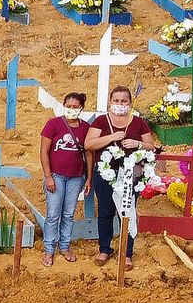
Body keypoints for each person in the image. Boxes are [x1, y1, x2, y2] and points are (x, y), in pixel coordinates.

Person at [85, 84, 158, 269]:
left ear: (130, 103)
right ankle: (104, 249)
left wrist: (137, 143)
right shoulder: (101, 121)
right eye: (116, 101)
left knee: (126, 211)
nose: (120, 104)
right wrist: (111, 138)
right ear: (110, 102)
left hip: (129, 174)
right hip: (105, 173)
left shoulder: (138, 122)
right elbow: (89, 144)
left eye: (124, 101)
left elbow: (151, 146)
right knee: (105, 211)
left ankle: (126, 253)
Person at [39, 91, 90, 266]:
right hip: (56, 176)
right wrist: (48, 176)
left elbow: (89, 154)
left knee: (68, 214)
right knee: (53, 214)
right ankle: (49, 250)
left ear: (81, 108)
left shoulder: (85, 128)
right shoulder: (53, 124)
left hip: (76, 177)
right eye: (68, 106)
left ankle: (65, 246)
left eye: (75, 107)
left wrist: (88, 178)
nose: (71, 109)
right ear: (63, 105)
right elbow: (44, 151)